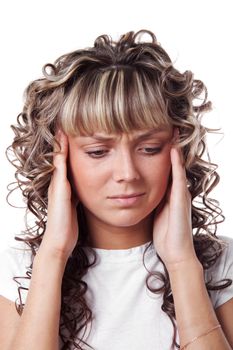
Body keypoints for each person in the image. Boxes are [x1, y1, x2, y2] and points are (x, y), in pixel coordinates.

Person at [0, 29, 232, 350]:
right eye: (98, 151)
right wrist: (52, 256)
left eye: (149, 148)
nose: (127, 174)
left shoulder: (223, 262)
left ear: (179, 149)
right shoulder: (17, 269)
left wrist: (181, 264)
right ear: (58, 158)